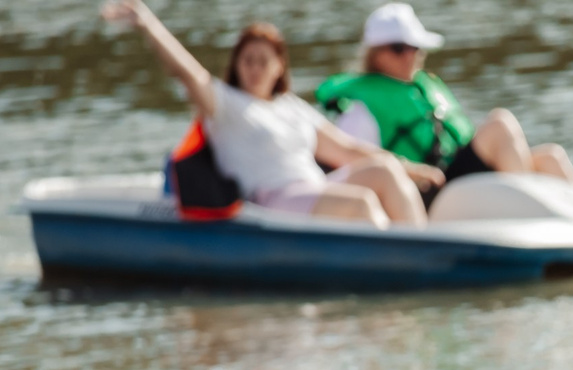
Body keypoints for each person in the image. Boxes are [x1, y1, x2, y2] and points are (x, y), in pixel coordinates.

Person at [101, 2, 434, 228]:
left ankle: (425, 246)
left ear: (279, 67)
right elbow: (187, 73)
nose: (255, 68)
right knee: (359, 203)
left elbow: (346, 150)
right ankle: (399, 266)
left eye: (264, 60)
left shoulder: (289, 106)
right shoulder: (227, 103)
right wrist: (147, 23)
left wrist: (410, 168)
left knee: (385, 170)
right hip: (274, 199)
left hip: (313, 188)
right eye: (248, 60)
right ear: (237, 64)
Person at [313, 4, 573, 200]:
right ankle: (530, 212)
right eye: (398, 48)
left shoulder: (424, 87)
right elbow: (355, 165)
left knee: (550, 157)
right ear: (376, 55)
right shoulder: (361, 108)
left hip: (458, 175)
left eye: (415, 47)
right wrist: (411, 174)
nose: (410, 56)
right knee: (500, 125)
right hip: (432, 188)